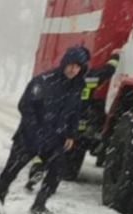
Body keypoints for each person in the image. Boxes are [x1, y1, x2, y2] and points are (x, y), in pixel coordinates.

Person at [0, 46, 91, 214]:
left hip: (57, 138)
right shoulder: (44, 81)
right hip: (29, 137)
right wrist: (35, 130)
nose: (73, 70)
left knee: (56, 171)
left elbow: (75, 112)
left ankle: (40, 204)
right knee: (11, 171)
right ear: (64, 63)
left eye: (78, 67)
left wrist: (71, 134)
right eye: (71, 65)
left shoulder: (77, 87)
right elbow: (25, 105)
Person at [25, 51, 121, 191]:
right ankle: (61, 175)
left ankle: (38, 168)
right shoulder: (91, 78)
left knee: (45, 150)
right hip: (78, 124)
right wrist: (115, 57)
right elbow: (108, 71)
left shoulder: (65, 79)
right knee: (68, 155)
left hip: (59, 121)